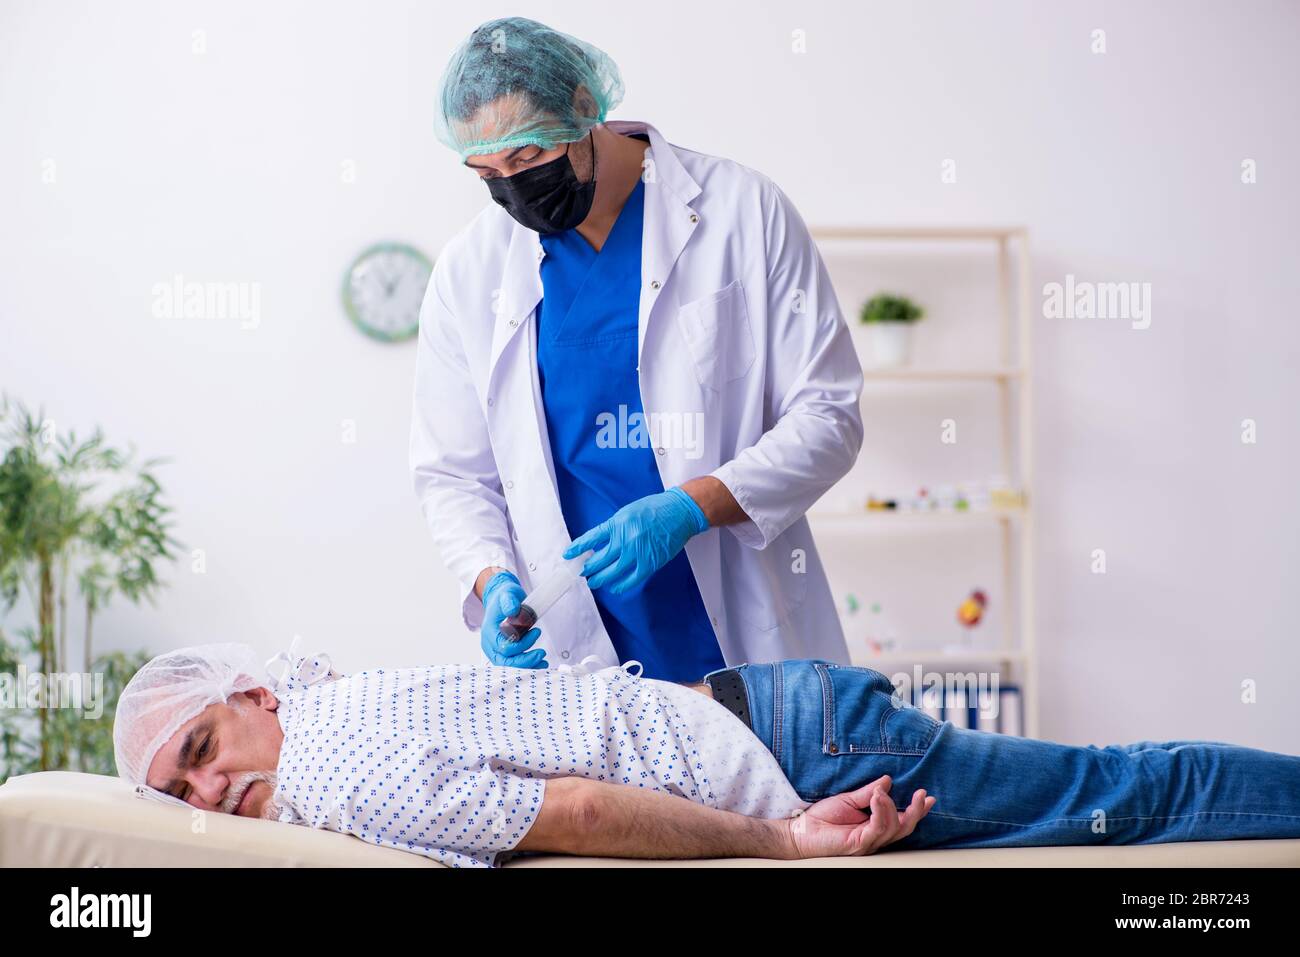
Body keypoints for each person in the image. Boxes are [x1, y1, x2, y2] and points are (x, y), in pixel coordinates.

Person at [410, 17, 864, 681]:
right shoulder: (469, 270)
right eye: (487, 172)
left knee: (791, 784)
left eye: (529, 157)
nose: (513, 187)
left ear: (585, 107)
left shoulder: (743, 212)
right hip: (577, 637)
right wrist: (490, 577)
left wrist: (692, 506)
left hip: (740, 616)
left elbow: (828, 416)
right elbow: (452, 472)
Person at [113, 643, 1300, 868]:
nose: (212, 792)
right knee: (1114, 787)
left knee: (1125, 797)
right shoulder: (330, 708)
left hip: (805, 754)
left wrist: (782, 840)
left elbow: (575, 812)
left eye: (206, 748)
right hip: (786, 713)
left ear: (255, 694)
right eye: (183, 792)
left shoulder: (324, 767)